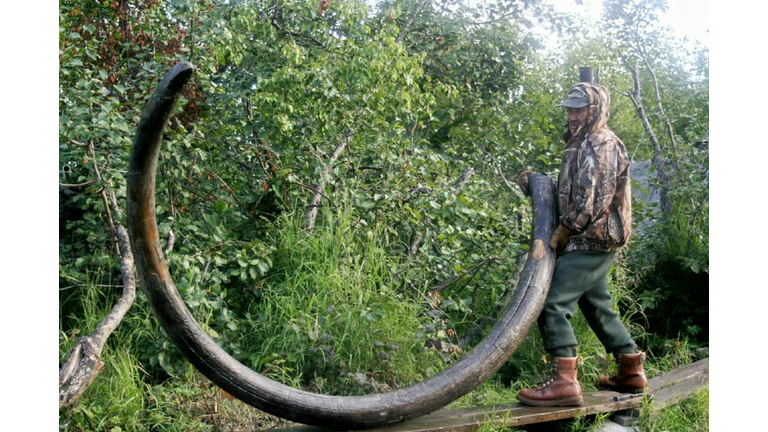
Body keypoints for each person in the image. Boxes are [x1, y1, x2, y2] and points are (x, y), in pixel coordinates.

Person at [515, 81, 647, 407]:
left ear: (595, 110)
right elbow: (575, 190)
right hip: (590, 236)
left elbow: (592, 201)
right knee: (596, 304)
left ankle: (563, 382)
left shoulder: (600, 144)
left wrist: (565, 228)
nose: (573, 115)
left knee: (549, 303)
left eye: (580, 109)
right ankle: (631, 369)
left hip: (593, 237)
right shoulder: (582, 142)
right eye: (571, 109)